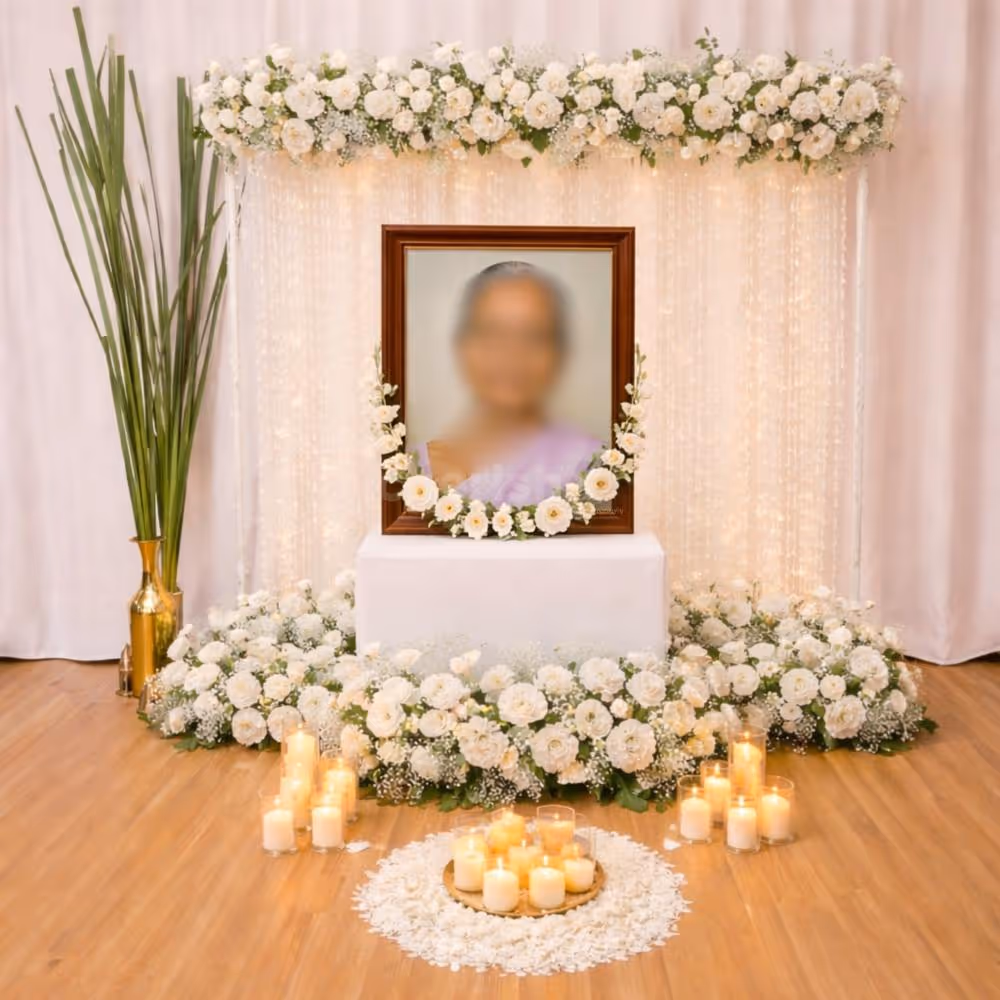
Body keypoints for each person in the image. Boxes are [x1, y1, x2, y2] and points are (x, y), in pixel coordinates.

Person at [414, 261, 601, 507]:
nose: (512, 354)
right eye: (491, 333)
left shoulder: (595, 469)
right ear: (461, 345)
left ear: (560, 353)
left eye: (534, 336)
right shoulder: (413, 470)